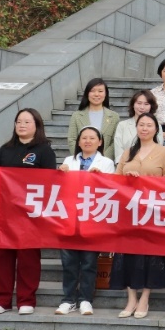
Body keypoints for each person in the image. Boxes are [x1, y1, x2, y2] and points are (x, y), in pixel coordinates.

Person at [0, 108, 57, 316]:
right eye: (19, 122)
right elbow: (1, 176)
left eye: (27, 122)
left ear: (37, 125)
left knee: (28, 258)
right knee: (3, 256)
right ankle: (2, 300)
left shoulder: (44, 151)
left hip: (30, 213)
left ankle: (26, 300)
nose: (22, 125)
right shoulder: (5, 149)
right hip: (6, 212)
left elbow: (50, 182)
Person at [111, 113, 165, 319]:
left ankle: (145, 298)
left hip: (152, 211)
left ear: (156, 129)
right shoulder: (128, 152)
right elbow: (115, 180)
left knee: (150, 255)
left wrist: (146, 181)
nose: (144, 128)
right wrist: (128, 179)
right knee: (127, 253)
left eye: (149, 125)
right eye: (141, 125)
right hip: (128, 211)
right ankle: (131, 298)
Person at [55, 126, 115, 316]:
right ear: (78, 142)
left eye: (92, 138)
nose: (87, 141)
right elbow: (59, 188)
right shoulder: (68, 161)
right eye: (84, 138)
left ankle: (86, 299)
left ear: (100, 142)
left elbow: (111, 189)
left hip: (92, 217)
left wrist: (100, 178)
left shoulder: (106, 163)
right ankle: (68, 299)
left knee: (89, 262)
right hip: (69, 217)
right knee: (69, 262)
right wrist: (59, 173)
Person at [67, 78, 120, 162]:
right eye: (92, 91)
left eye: (100, 91)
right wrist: (82, 157)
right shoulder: (77, 116)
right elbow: (72, 139)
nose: (96, 94)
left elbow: (115, 142)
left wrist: (102, 159)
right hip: (82, 162)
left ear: (105, 94)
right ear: (87, 93)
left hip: (104, 162)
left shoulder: (114, 116)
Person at [112, 90, 159, 164]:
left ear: (151, 106)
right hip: (125, 166)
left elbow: (158, 150)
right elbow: (118, 152)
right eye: (139, 103)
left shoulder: (156, 126)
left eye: (146, 104)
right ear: (133, 104)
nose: (142, 107)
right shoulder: (122, 125)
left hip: (150, 166)